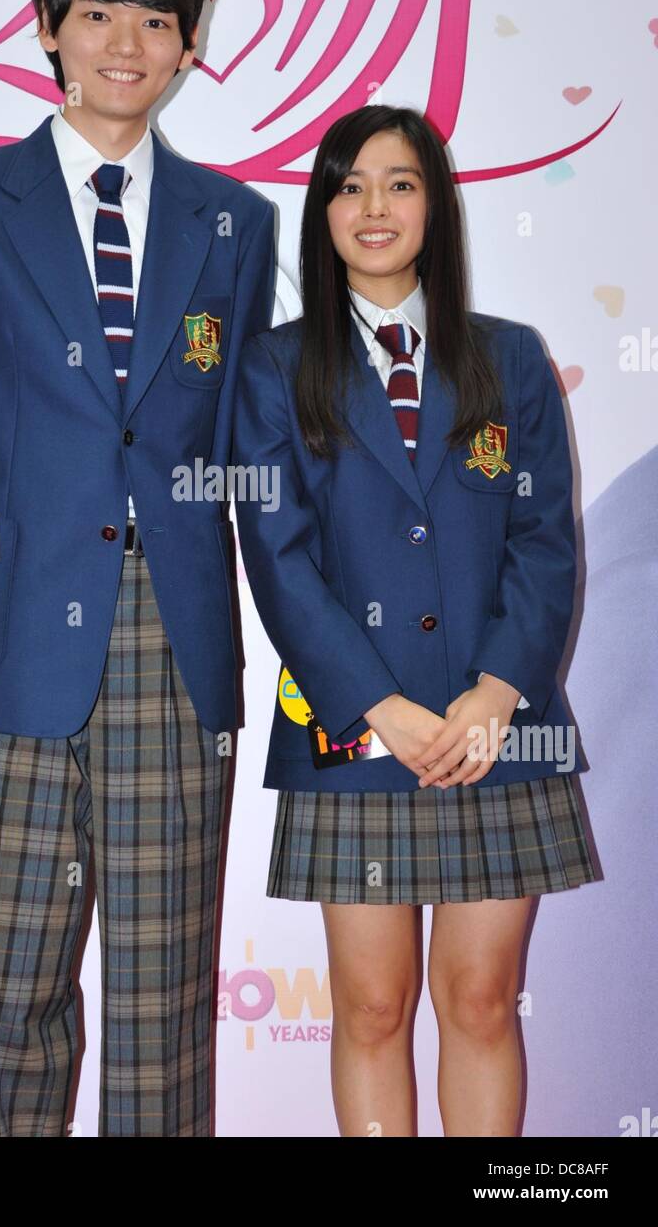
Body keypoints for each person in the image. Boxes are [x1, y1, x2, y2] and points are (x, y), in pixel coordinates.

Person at [0, 0, 276, 1137]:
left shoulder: (236, 224)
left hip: (182, 636)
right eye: (98, 12)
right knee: (10, 983)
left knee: (168, 993)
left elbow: (239, 429)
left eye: (158, 19)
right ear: (51, 28)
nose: (126, 42)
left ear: (189, 47)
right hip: (18, 636)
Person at [232, 104, 598, 1137]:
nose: (374, 206)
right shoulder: (274, 368)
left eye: (398, 182)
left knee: (481, 1000)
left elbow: (544, 539)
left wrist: (496, 690)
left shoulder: (510, 359)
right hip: (354, 733)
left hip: (499, 733)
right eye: (348, 185)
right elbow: (279, 556)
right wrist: (377, 703)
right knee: (372, 1006)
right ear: (322, 211)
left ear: (435, 202)